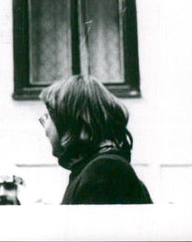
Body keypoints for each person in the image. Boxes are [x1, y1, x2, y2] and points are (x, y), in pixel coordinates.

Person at [39, 74, 152, 205]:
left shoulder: (103, 171)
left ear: (68, 121)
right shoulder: (99, 167)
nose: (45, 129)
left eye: (47, 116)